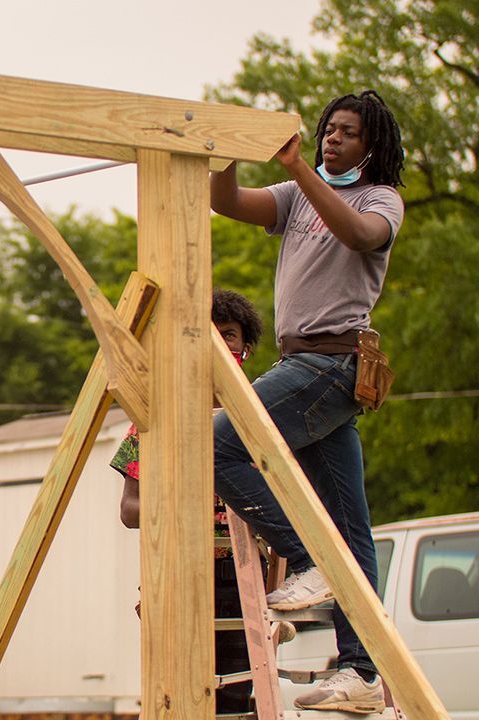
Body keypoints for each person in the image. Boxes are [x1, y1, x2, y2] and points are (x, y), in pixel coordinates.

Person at [209, 90, 404, 714]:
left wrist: (295, 168)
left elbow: (357, 234)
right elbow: (225, 201)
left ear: (371, 146)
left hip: (335, 361)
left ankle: (306, 558)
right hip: (301, 362)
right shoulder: (297, 196)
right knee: (351, 529)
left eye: (346, 133)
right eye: (328, 131)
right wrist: (228, 148)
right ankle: (363, 673)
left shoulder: (379, 200)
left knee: (220, 438)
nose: (331, 141)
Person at [111, 288, 266, 715]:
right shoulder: (156, 417)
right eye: (208, 332)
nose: (219, 343)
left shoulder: (264, 417)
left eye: (229, 335)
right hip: (177, 569)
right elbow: (129, 511)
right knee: (175, 691)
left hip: (243, 573)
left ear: (245, 347)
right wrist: (188, 510)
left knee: (237, 694)